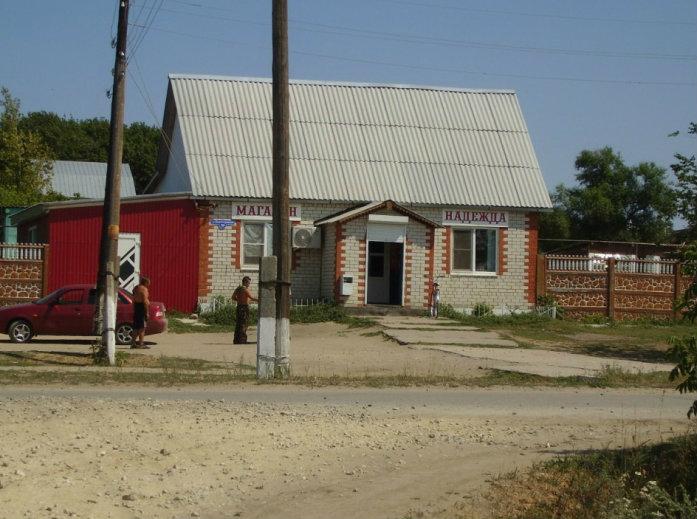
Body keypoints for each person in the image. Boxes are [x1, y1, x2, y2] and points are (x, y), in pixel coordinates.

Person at [232, 276, 257, 344]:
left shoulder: (238, 289)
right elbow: (251, 297)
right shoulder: (245, 289)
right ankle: (242, 340)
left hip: (239, 307)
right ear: (245, 282)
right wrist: (259, 300)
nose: (249, 284)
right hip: (244, 308)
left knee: (238, 323)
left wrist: (239, 300)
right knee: (244, 324)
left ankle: (236, 340)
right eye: (248, 283)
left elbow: (233, 297)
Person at [132, 276, 151, 349]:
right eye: (148, 283)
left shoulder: (136, 288)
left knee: (135, 327)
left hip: (136, 307)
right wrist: (146, 312)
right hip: (141, 308)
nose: (149, 284)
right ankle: (141, 344)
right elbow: (145, 301)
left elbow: (133, 298)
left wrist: (134, 308)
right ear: (145, 282)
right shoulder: (144, 289)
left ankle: (133, 343)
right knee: (142, 328)